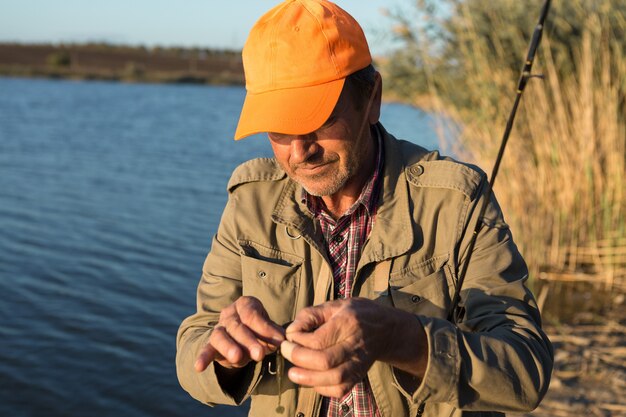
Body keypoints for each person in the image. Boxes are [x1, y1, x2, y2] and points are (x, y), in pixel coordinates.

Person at [176, 1, 554, 416]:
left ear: (371, 97)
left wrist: (402, 339)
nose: (300, 151)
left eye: (318, 118)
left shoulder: (458, 201)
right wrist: (228, 355)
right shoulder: (250, 200)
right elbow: (194, 344)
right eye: (280, 126)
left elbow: (525, 369)